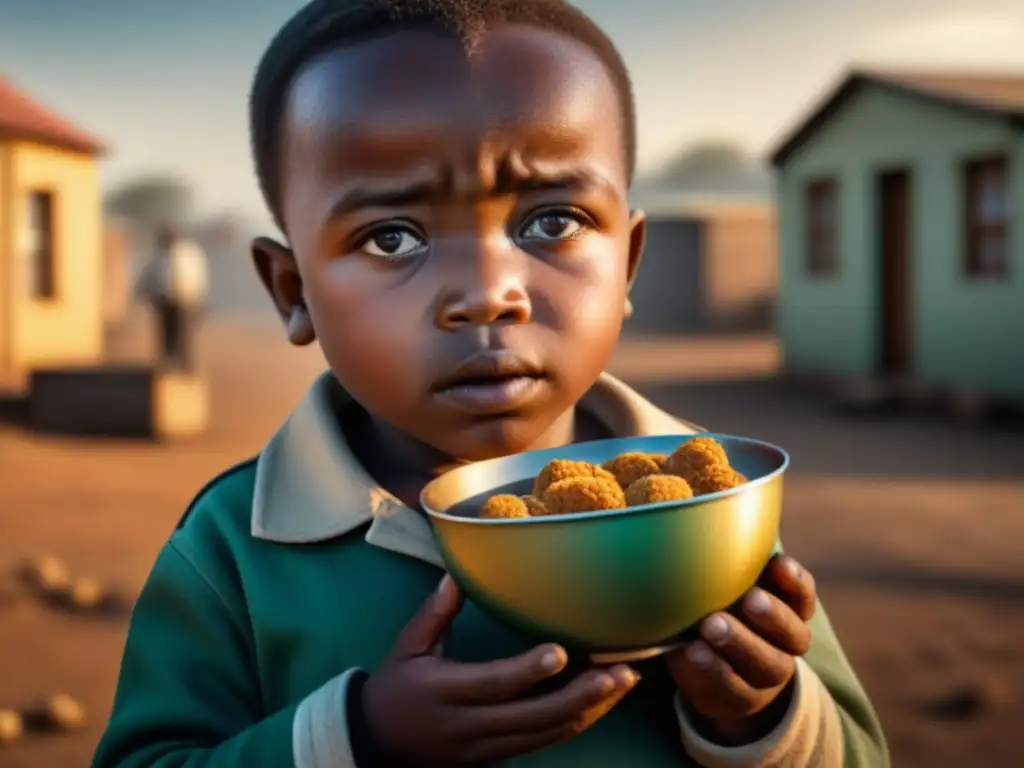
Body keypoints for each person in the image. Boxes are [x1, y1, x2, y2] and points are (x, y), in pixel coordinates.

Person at [93, 1, 889, 765]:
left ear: (627, 263)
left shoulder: (704, 507)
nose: (487, 291)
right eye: (392, 236)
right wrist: (361, 738)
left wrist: (761, 713)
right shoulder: (234, 548)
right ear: (292, 290)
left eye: (554, 222)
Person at [137, 225, 209, 372]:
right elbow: (148, 278)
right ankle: (168, 365)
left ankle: (184, 367)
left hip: (185, 300)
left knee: (183, 335)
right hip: (164, 301)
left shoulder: (188, 253)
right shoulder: (158, 256)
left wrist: (200, 299)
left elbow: (200, 277)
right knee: (166, 334)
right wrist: (145, 295)